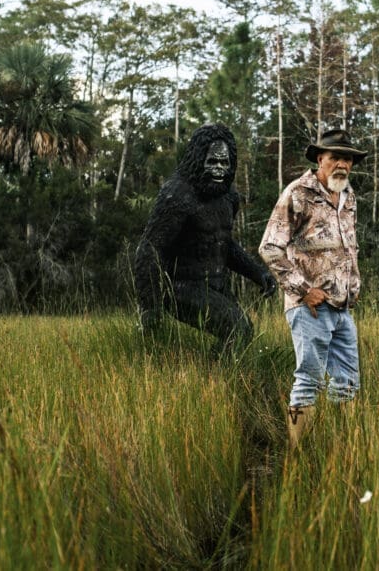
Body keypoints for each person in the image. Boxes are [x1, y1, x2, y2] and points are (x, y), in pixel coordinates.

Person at [259, 129, 366, 447]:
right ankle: (297, 451)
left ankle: (339, 447)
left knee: (347, 382)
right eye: (335, 157)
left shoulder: (348, 197)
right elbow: (269, 248)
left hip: (342, 306)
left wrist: (353, 286)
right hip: (309, 308)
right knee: (310, 379)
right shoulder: (298, 193)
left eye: (347, 159)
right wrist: (303, 289)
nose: (342, 165)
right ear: (320, 159)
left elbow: (348, 247)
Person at [135, 123, 276, 355]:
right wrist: (150, 306)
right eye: (212, 162)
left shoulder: (228, 197)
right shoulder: (177, 195)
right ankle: (212, 379)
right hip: (182, 286)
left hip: (217, 285)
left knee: (242, 334)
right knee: (239, 331)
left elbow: (222, 244)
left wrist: (257, 273)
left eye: (224, 163)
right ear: (198, 159)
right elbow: (150, 249)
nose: (219, 169)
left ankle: (210, 376)